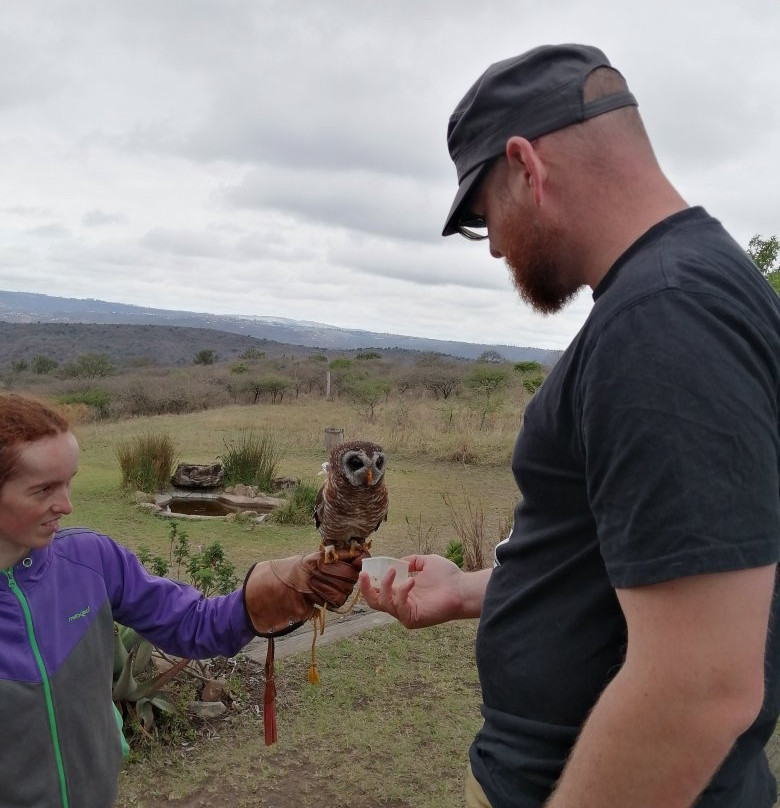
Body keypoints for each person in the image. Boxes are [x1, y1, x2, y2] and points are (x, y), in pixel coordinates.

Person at [360, 43, 780, 808]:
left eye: (484, 216)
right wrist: (468, 591)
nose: (495, 244)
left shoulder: (665, 316)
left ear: (526, 166)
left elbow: (701, 688)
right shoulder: (685, 290)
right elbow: (643, 560)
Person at [0, 392, 364, 808]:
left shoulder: (90, 558)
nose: (66, 505)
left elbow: (191, 622)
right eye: (43, 489)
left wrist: (281, 588)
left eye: (69, 481)